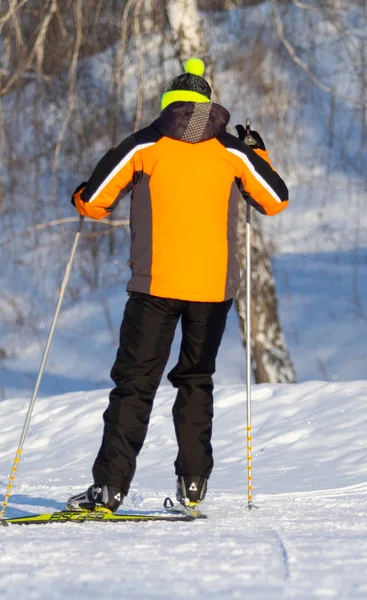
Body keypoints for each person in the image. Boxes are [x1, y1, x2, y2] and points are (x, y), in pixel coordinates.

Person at [66, 58, 289, 514]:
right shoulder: (233, 152)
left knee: (134, 385)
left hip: (154, 287)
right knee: (196, 381)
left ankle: (109, 490)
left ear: (168, 105)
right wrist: (258, 152)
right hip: (212, 291)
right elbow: (275, 199)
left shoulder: (145, 144)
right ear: (210, 107)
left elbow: (93, 203)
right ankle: (192, 487)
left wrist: (79, 194)